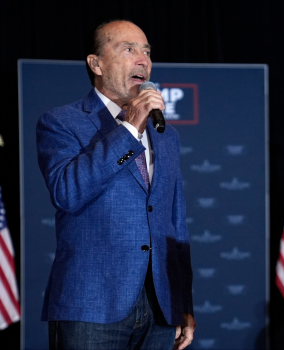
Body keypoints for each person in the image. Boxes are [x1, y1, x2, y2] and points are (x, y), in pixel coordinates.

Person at [36, 20, 195, 350]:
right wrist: (129, 129)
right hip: (90, 307)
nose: (143, 60)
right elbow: (67, 191)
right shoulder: (61, 122)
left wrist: (184, 303)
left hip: (160, 308)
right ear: (96, 64)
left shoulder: (167, 136)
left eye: (147, 52)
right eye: (129, 49)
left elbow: (175, 224)